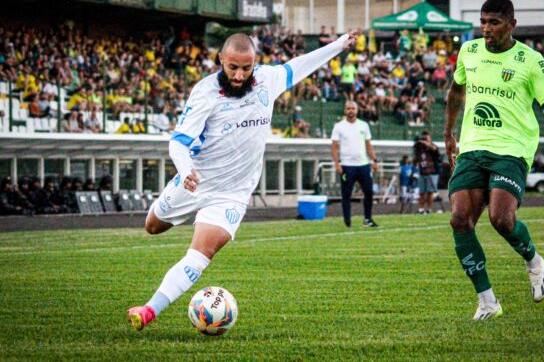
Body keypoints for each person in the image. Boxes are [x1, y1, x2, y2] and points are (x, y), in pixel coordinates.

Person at [127, 32, 357, 331]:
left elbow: (300, 66)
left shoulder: (267, 80)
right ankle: (169, 211)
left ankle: (148, 310)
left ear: (255, 64)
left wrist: (338, 45)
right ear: (221, 60)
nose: (238, 75)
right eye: (232, 67)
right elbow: (178, 142)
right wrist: (185, 172)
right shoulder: (205, 92)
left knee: (202, 253)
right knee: (152, 226)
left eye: (246, 68)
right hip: (195, 181)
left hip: (233, 194)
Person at [443, 0, 544, 321]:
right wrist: (448, 132)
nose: (486, 29)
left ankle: (533, 261)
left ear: (511, 24)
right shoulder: (469, 52)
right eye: (483, 21)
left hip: (512, 149)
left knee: (501, 219)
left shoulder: (530, 60)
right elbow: (456, 93)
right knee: (460, 219)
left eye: (494, 22)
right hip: (473, 146)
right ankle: (488, 302)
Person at [330, 101, 379, 228]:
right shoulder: (339, 126)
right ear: (345, 111)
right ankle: (347, 222)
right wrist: (337, 164)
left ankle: (367, 219)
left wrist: (374, 160)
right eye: (348, 108)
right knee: (346, 194)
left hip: (363, 164)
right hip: (347, 165)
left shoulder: (364, 125)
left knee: (368, 192)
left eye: (353, 108)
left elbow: (368, 145)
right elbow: (334, 147)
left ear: (357, 110)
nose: (351, 111)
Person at [413, 130, 441, 214]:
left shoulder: (433, 146)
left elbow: (434, 149)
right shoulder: (420, 148)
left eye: (426, 137)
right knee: (421, 192)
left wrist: (426, 143)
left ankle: (429, 209)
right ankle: (421, 209)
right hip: (422, 172)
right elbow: (416, 157)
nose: (424, 139)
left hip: (432, 172)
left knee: (430, 192)